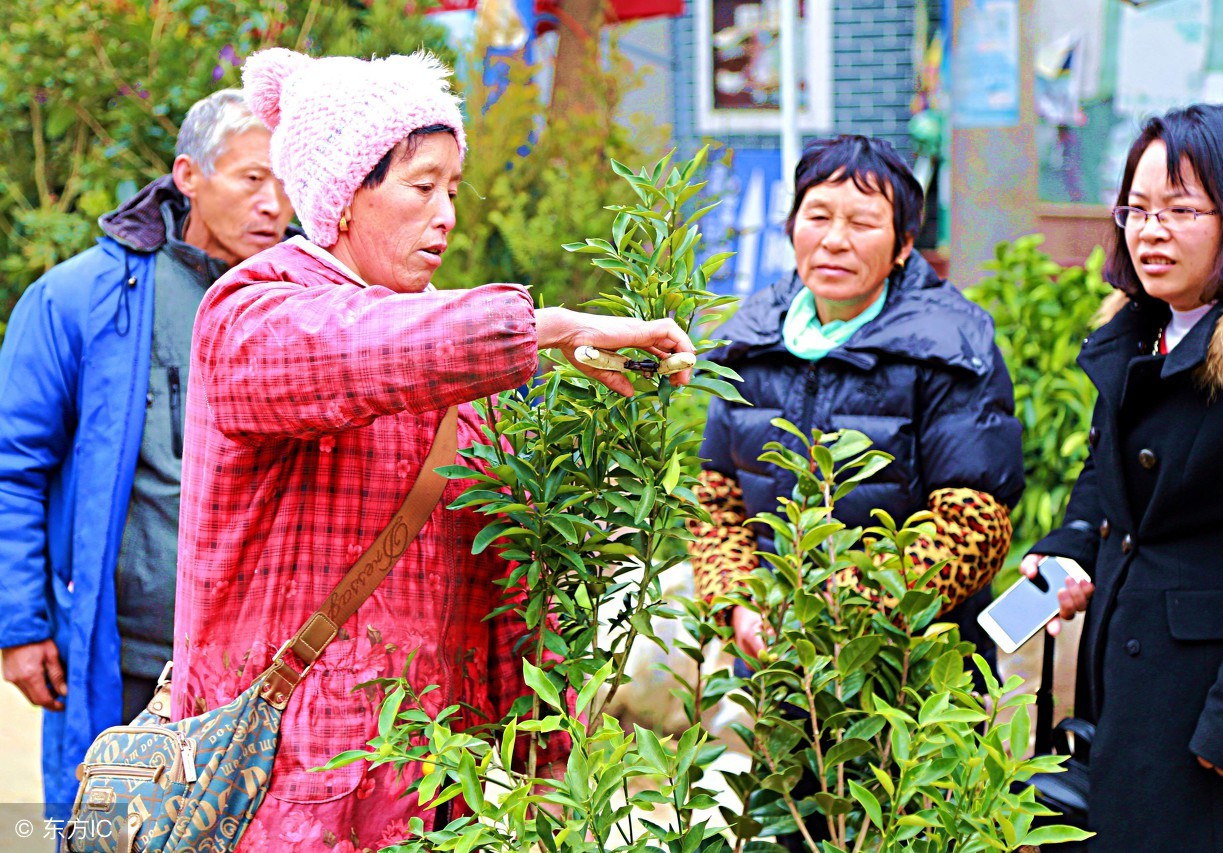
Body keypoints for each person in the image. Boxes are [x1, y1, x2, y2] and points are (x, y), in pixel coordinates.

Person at [170, 48, 695, 849]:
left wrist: (549, 754)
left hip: (425, 788)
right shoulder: (248, 314)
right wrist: (546, 326)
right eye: (422, 187)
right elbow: (347, 347)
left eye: (452, 189)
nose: (446, 214)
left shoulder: (451, 362)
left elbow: (505, 582)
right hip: (275, 785)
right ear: (346, 196)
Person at [688, 134, 1024, 848]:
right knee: (797, 829)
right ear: (791, 229)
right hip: (785, 676)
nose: (835, 240)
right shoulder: (751, 340)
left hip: (910, 678)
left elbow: (977, 520)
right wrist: (737, 603)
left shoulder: (950, 343)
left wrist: (846, 608)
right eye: (818, 215)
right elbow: (715, 497)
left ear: (903, 245)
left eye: (863, 222)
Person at [0, 89, 292, 818]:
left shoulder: (300, 305)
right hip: (121, 647)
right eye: (252, 177)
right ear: (188, 176)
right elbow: (13, 466)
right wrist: (21, 625)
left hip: (262, 656)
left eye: (286, 181)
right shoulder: (78, 298)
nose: (274, 203)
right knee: (111, 825)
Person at [1022, 104, 1223, 850]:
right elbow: (1105, 486)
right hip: (1127, 690)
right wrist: (1068, 545)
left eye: (1180, 208)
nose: (1150, 230)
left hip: (1216, 716)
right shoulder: (1143, 332)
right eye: (1136, 208)